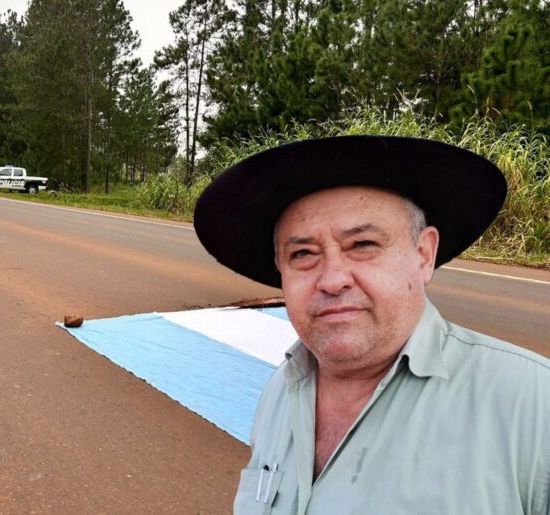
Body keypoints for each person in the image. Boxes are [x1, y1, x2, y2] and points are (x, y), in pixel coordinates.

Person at [193, 136, 550, 514]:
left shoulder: (532, 406)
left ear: (424, 254)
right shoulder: (281, 391)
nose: (332, 279)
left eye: (362, 245)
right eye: (302, 254)